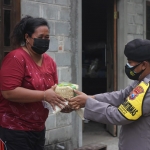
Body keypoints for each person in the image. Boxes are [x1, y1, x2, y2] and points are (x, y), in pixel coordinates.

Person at [0, 15, 67, 150]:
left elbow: (52, 92)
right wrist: (43, 95)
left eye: (47, 37)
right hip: (15, 128)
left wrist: (65, 103)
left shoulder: (49, 62)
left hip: (38, 128)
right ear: (27, 37)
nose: (44, 40)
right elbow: (8, 91)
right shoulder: (16, 58)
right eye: (40, 37)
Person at [69, 39, 150, 150]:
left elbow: (120, 115)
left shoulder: (147, 87)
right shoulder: (142, 80)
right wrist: (92, 98)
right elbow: (122, 95)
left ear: (144, 65)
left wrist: (88, 103)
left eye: (130, 63)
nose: (127, 66)